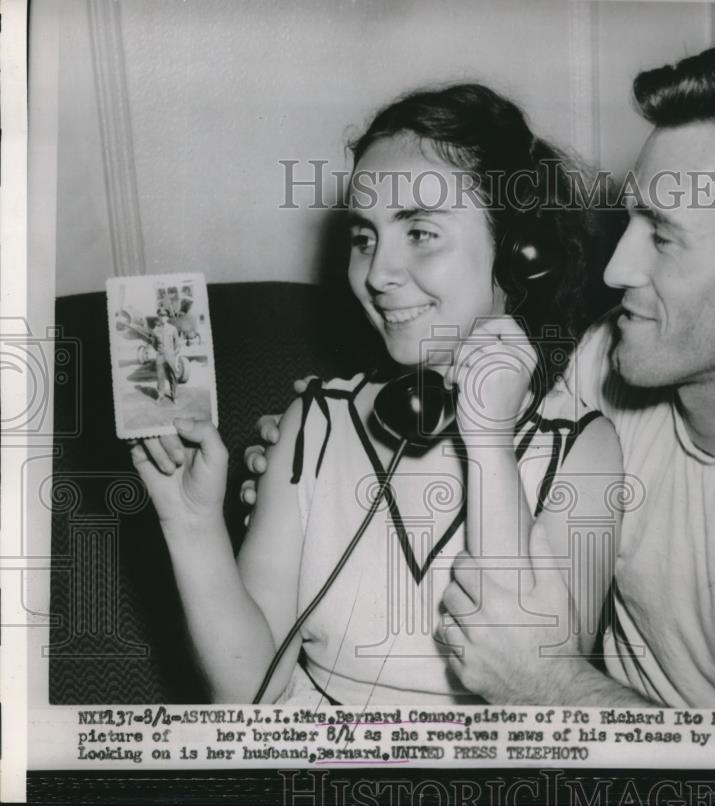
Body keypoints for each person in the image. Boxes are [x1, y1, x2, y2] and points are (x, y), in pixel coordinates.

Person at [248, 42, 715, 708]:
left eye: (662, 236)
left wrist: (551, 686)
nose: (616, 269)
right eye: (630, 219)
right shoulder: (608, 357)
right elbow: (492, 433)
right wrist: (315, 458)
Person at [130, 83, 623, 705]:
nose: (378, 274)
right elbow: (246, 692)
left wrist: (489, 444)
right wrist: (191, 522)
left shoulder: (581, 449)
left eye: (420, 232)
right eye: (365, 238)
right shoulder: (315, 421)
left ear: (520, 253)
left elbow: (536, 692)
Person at [151, 306, 181, 405]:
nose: (162, 318)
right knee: (160, 377)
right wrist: (160, 352)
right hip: (160, 356)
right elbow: (154, 344)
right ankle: (160, 396)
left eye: (164, 316)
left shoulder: (173, 329)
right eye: (161, 316)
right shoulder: (155, 330)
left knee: (173, 376)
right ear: (158, 317)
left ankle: (174, 396)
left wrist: (173, 353)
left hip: (170, 356)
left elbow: (177, 344)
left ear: (167, 317)